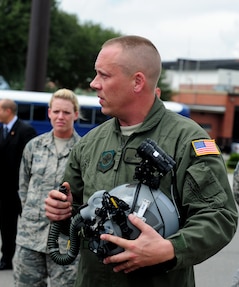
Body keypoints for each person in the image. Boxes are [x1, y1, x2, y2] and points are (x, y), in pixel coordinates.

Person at [44, 35, 238, 287]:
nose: (94, 84)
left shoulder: (187, 140)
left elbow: (219, 215)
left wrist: (170, 249)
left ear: (137, 82)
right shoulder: (90, 143)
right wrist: (63, 211)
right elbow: (77, 211)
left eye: (104, 75)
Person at [13, 88, 81, 286]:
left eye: (66, 112)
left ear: (75, 114)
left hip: (66, 241)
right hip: (30, 237)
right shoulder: (34, 146)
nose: (61, 117)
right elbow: (23, 187)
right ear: (49, 112)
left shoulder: (83, 150)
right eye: (56, 111)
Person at [0, 98, 37, 270]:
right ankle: (7, 259)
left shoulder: (26, 131)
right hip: (4, 190)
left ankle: (28, 261)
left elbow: (31, 161)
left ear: (8, 111)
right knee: (6, 226)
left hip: (22, 190)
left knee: (27, 226)